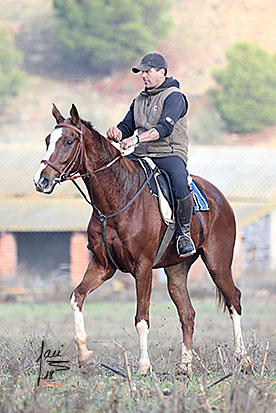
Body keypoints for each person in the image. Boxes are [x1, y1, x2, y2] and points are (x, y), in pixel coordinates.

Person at [107, 52, 195, 258]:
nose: (144, 76)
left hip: (169, 153)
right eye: (141, 72)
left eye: (148, 71)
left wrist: (135, 140)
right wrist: (117, 132)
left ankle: (184, 233)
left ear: (162, 72)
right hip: (141, 154)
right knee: (112, 176)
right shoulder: (139, 99)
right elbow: (126, 126)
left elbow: (164, 128)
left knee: (180, 182)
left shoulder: (175, 97)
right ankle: (108, 229)